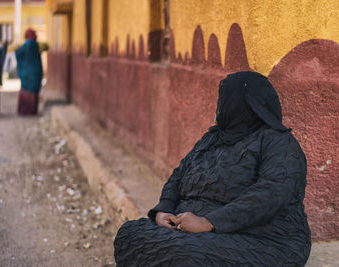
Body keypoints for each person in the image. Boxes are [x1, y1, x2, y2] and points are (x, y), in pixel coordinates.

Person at [114, 71, 311, 266]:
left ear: (246, 105)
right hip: (193, 231)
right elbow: (179, 175)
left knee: (186, 255)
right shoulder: (213, 138)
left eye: (227, 99)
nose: (220, 105)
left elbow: (272, 193)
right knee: (130, 233)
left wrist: (209, 222)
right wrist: (163, 210)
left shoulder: (278, 142)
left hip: (262, 239)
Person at [15, 28, 43, 115]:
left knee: (26, 90)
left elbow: (18, 55)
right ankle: (31, 111)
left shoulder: (24, 46)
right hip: (34, 74)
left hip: (25, 74)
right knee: (33, 92)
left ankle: (24, 110)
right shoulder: (33, 45)